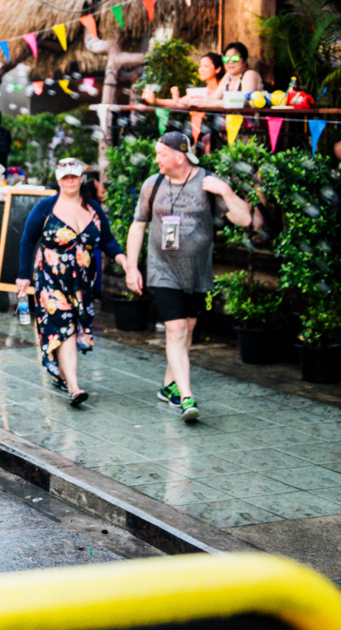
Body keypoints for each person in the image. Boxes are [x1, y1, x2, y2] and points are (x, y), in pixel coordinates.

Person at [125, 131, 253, 423]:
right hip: (163, 270)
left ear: (178, 157)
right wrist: (132, 267)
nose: (156, 159)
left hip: (197, 273)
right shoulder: (152, 185)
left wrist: (226, 191)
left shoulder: (207, 183)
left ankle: (168, 385)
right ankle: (186, 397)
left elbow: (244, 219)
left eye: (161, 154)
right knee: (176, 330)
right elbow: (138, 225)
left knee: (189, 330)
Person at [16, 159, 128, 406]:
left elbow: (108, 242)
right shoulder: (46, 207)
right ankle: (75, 387)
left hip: (83, 282)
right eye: (65, 177)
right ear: (58, 179)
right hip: (50, 277)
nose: (70, 181)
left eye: (74, 177)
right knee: (65, 327)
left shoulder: (93, 208)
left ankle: (62, 372)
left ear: (80, 179)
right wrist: (23, 275)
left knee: (73, 326)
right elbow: (27, 240)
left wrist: (126, 262)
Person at [200, 42, 262, 107]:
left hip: (247, 117)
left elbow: (245, 100)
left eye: (235, 58)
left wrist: (214, 103)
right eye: (226, 59)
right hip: (229, 117)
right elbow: (215, 97)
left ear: (244, 61)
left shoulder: (249, 74)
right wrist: (195, 100)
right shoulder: (229, 76)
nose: (230, 62)